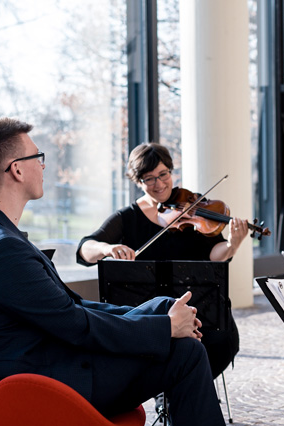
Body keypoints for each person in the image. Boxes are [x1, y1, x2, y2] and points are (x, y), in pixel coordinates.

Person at [0, 117, 282, 426]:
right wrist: (162, 330)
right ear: (16, 169)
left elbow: (70, 309)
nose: (44, 165)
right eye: (38, 156)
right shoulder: (2, 247)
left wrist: (160, 318)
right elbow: (75, 325)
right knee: (183, 353)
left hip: (42, 362)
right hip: (39, 389)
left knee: (166, 308)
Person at [75, 142, 243, 379]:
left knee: (221, 340)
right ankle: (180, 390)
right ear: (138, 182)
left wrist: (232, 244)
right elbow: (85, 249)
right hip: (154, 317)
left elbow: (214, 254)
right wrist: (107, 247)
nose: (159, 184)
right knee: (163, 346)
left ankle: (183, 389)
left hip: (198, 308)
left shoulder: (192, 206)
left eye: (163, 174)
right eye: (149, 179)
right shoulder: (128, 217)